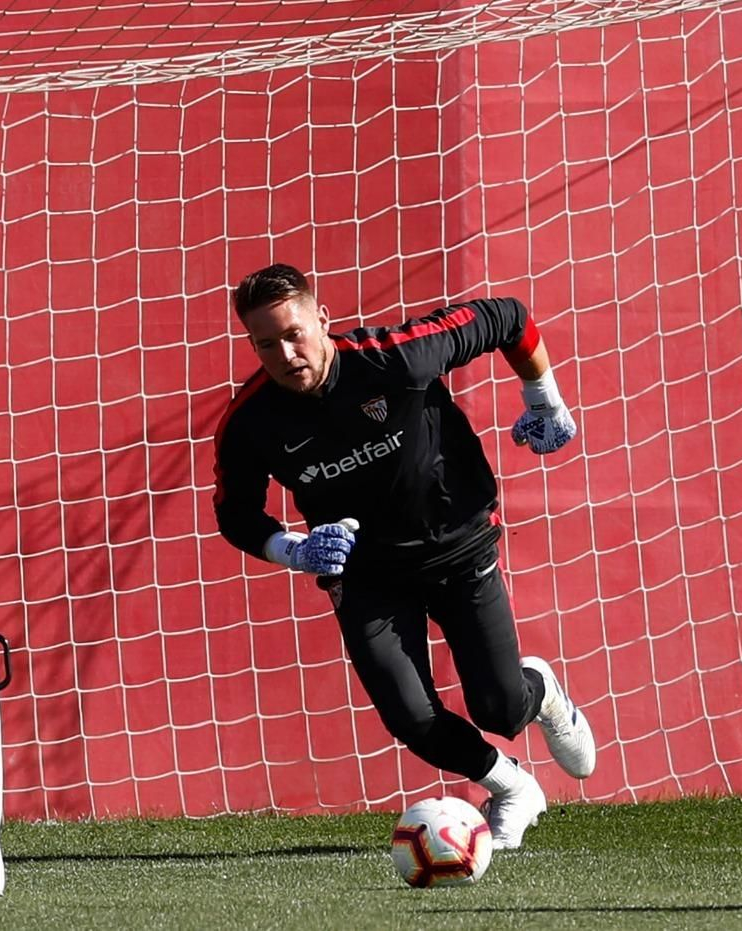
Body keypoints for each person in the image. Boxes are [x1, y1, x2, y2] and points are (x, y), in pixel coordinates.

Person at [210, 263, 595, 850]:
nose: (286, 353)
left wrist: (544, 399)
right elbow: (236, 515)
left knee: (500, 706)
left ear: (322, 320)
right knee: (410, 717)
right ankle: (511, 786)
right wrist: (295, 550)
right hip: (365, 573)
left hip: (458, 543)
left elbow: (508, 318)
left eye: (294, 333)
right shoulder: (250, 423)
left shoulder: (395, 358)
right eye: (266, 343)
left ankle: (537, 690)